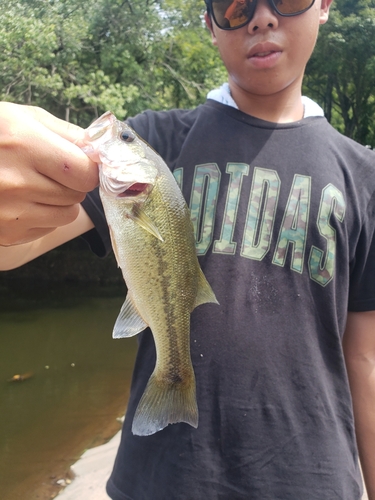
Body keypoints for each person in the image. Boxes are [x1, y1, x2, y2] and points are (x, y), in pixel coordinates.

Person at [1, 0, 375, 498]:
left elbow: (365, 358)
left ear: (325, 5)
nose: (262, 18)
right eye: (235, 7)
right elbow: (12, 246)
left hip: (317, 480)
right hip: (163, 480)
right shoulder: (152, 147)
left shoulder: (364, 175)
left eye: (285, 0)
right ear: (210, 24)